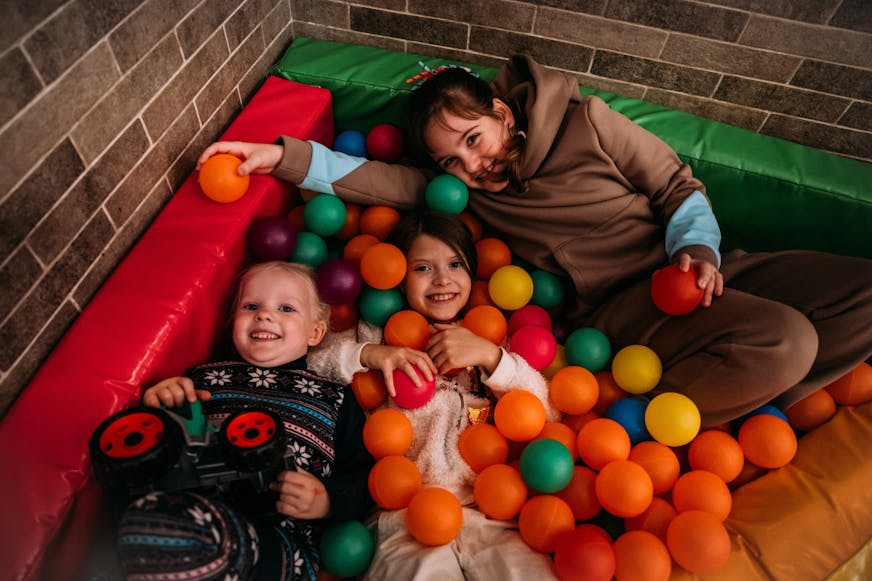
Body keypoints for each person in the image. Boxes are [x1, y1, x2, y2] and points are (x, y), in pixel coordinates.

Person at [198, 55, 872, 427]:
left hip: (691, 267)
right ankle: (685, 411)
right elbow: (379, 180)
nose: (472, 166)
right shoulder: (468, 196)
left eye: (474, 140)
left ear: (501, 111)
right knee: (790, 340)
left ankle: (756, 384)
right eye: (452, 163)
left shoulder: (592, 123)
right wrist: (281, 155)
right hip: (622, 313)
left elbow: (675, 182)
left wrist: (697, 250)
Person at [308, 210, 561, 580]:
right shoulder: (376, 332)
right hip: (403, 515)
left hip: (489, 511)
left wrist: (492, 358)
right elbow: (311, 366)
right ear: (398, 278)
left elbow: (547, 412)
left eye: (455, 264)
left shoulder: (491, 336)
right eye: (422, 268)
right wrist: (371, 355)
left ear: (472, 272)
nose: (442, 279)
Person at [117, 261, 374, 581]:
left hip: (274, 537)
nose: (265, 315)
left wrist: (326, 500)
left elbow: (364, 477)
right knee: (145, 522)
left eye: (286, 308)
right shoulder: (203, 377)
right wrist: (162, 404)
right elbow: (166, 452)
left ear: (315, 332)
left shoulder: (333, 396)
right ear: (232, 321)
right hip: (191, 510)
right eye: (251, 305)